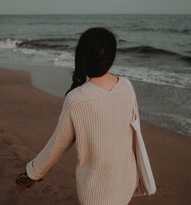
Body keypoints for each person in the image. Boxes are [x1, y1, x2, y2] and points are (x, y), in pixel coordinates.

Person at [21, 27, 146, 204]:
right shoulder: (126, 86)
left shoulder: (76, 99)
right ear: (111, 57)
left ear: (81, 57)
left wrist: (33, 172)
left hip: (95, 192)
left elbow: (58, 145)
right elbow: (134, 134)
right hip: (125, 182)